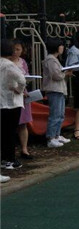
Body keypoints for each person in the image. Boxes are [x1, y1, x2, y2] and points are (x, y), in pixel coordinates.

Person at [1, 39, 26, 170]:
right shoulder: (9, 65)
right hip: (12, 102)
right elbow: (22, 79)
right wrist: (19, 90)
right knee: (10, 132)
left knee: (3, 132)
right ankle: (10, 159)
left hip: (1, 102)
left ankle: (4, 158)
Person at [41, 39, 72, 148]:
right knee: (55, 114)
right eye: (61, 46)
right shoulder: (50, 60)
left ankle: (57, 135)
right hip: (54, 90)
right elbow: (56, 75)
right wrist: (65, 73)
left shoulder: (55, 59)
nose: (62, 48)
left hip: (59, 89)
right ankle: (51, 138)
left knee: (60, 114)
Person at [10, 39, 33, 159]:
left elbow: (26, 75)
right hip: (11, 95)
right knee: (11, 124)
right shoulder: (6, 63)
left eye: (18, 49)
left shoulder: (23, 62)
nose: (15, 52)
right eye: (13, 49)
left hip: (23, 94)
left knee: (23, 123)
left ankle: (24, 149)